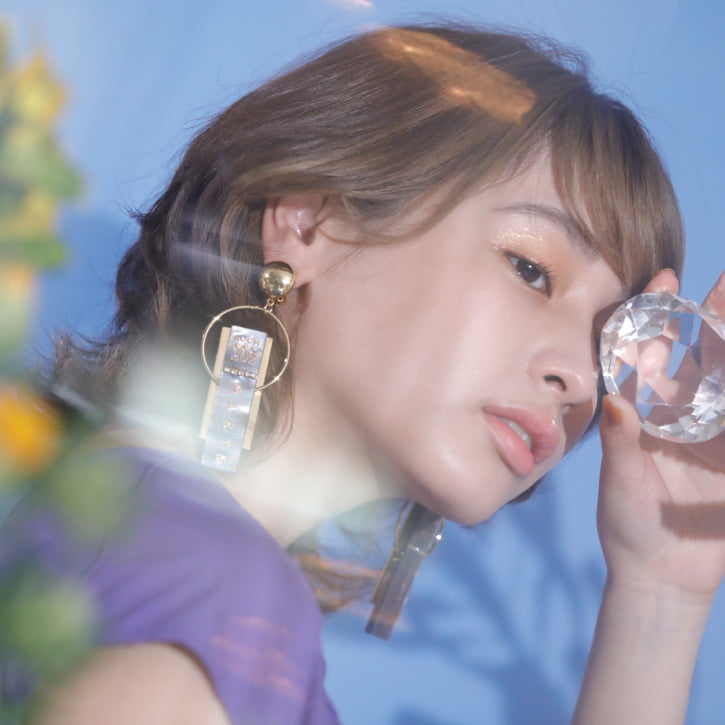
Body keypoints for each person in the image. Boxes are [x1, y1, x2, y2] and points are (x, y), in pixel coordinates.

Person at [5, 21, 725, 725]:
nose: (579, 377)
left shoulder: (117, 526)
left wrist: (660, 590)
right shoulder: (221, 596)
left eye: (604, 345)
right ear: (309, 223)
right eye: (530, 269)